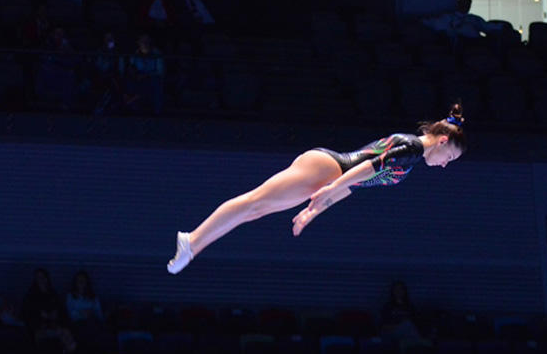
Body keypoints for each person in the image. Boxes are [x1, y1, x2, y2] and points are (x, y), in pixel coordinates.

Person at [168, 104, 467, 274]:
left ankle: (193, 246)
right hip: (327, 168)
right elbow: (366, 169)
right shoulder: (414, 148)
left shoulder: (411, 152)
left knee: (253, 212)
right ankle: (192, 240)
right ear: (442, 142)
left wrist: (314, 210)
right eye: (449, 158)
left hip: (330, 175)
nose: (444, 165)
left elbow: (356, 183)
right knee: (252, 203)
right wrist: (329, 189)